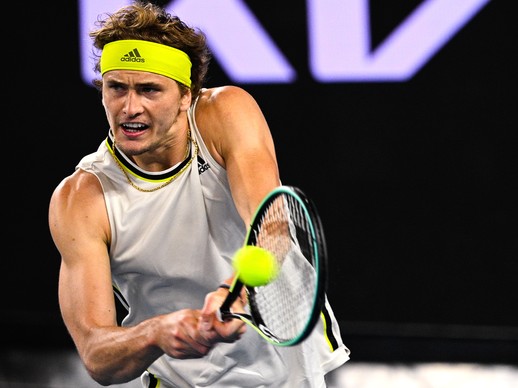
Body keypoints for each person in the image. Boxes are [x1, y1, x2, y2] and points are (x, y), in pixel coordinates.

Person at [48, 1, 350, 386]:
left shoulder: (226, 113)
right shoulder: (80, 200)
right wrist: (156, 332)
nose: (130, 107)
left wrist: (235, 291)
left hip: (283, 361)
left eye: (149, 90)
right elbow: (97, 356)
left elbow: (271, 225)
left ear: (186, 96)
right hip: (181, 378)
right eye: (116, 88)